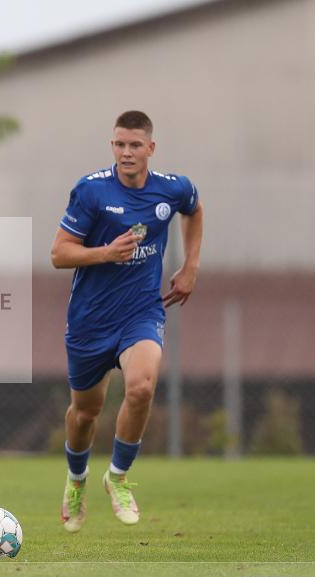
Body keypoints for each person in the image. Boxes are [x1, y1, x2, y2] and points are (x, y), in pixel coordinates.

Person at [50, 110, 203, 533]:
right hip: (90, 320)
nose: (126, 152)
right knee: (85, 413)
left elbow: (194, 208)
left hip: (141, 313)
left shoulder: (172, 189)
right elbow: (59, 254)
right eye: (119, 144)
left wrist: (190, 266)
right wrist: (105, 253)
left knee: (141, 387)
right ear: (112, 146)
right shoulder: (91, 191)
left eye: (135, 145)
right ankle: (77, 480)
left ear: (150, 148)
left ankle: (117, 478)